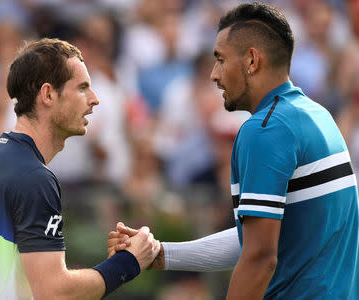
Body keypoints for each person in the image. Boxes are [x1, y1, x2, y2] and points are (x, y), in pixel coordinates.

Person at [108, 2, 359, 299]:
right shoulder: (317, 114)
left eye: (220, 59)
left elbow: (259, 257)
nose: (214, 74)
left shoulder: (265, 129)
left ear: (252, 60)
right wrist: (162, 253)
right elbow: (255, 238)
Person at [0, 38, 160, 299]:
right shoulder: (33, 178)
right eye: (82, 88)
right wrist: (129, 262)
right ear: (47, 95)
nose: (95, 99)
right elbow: (54, 293)